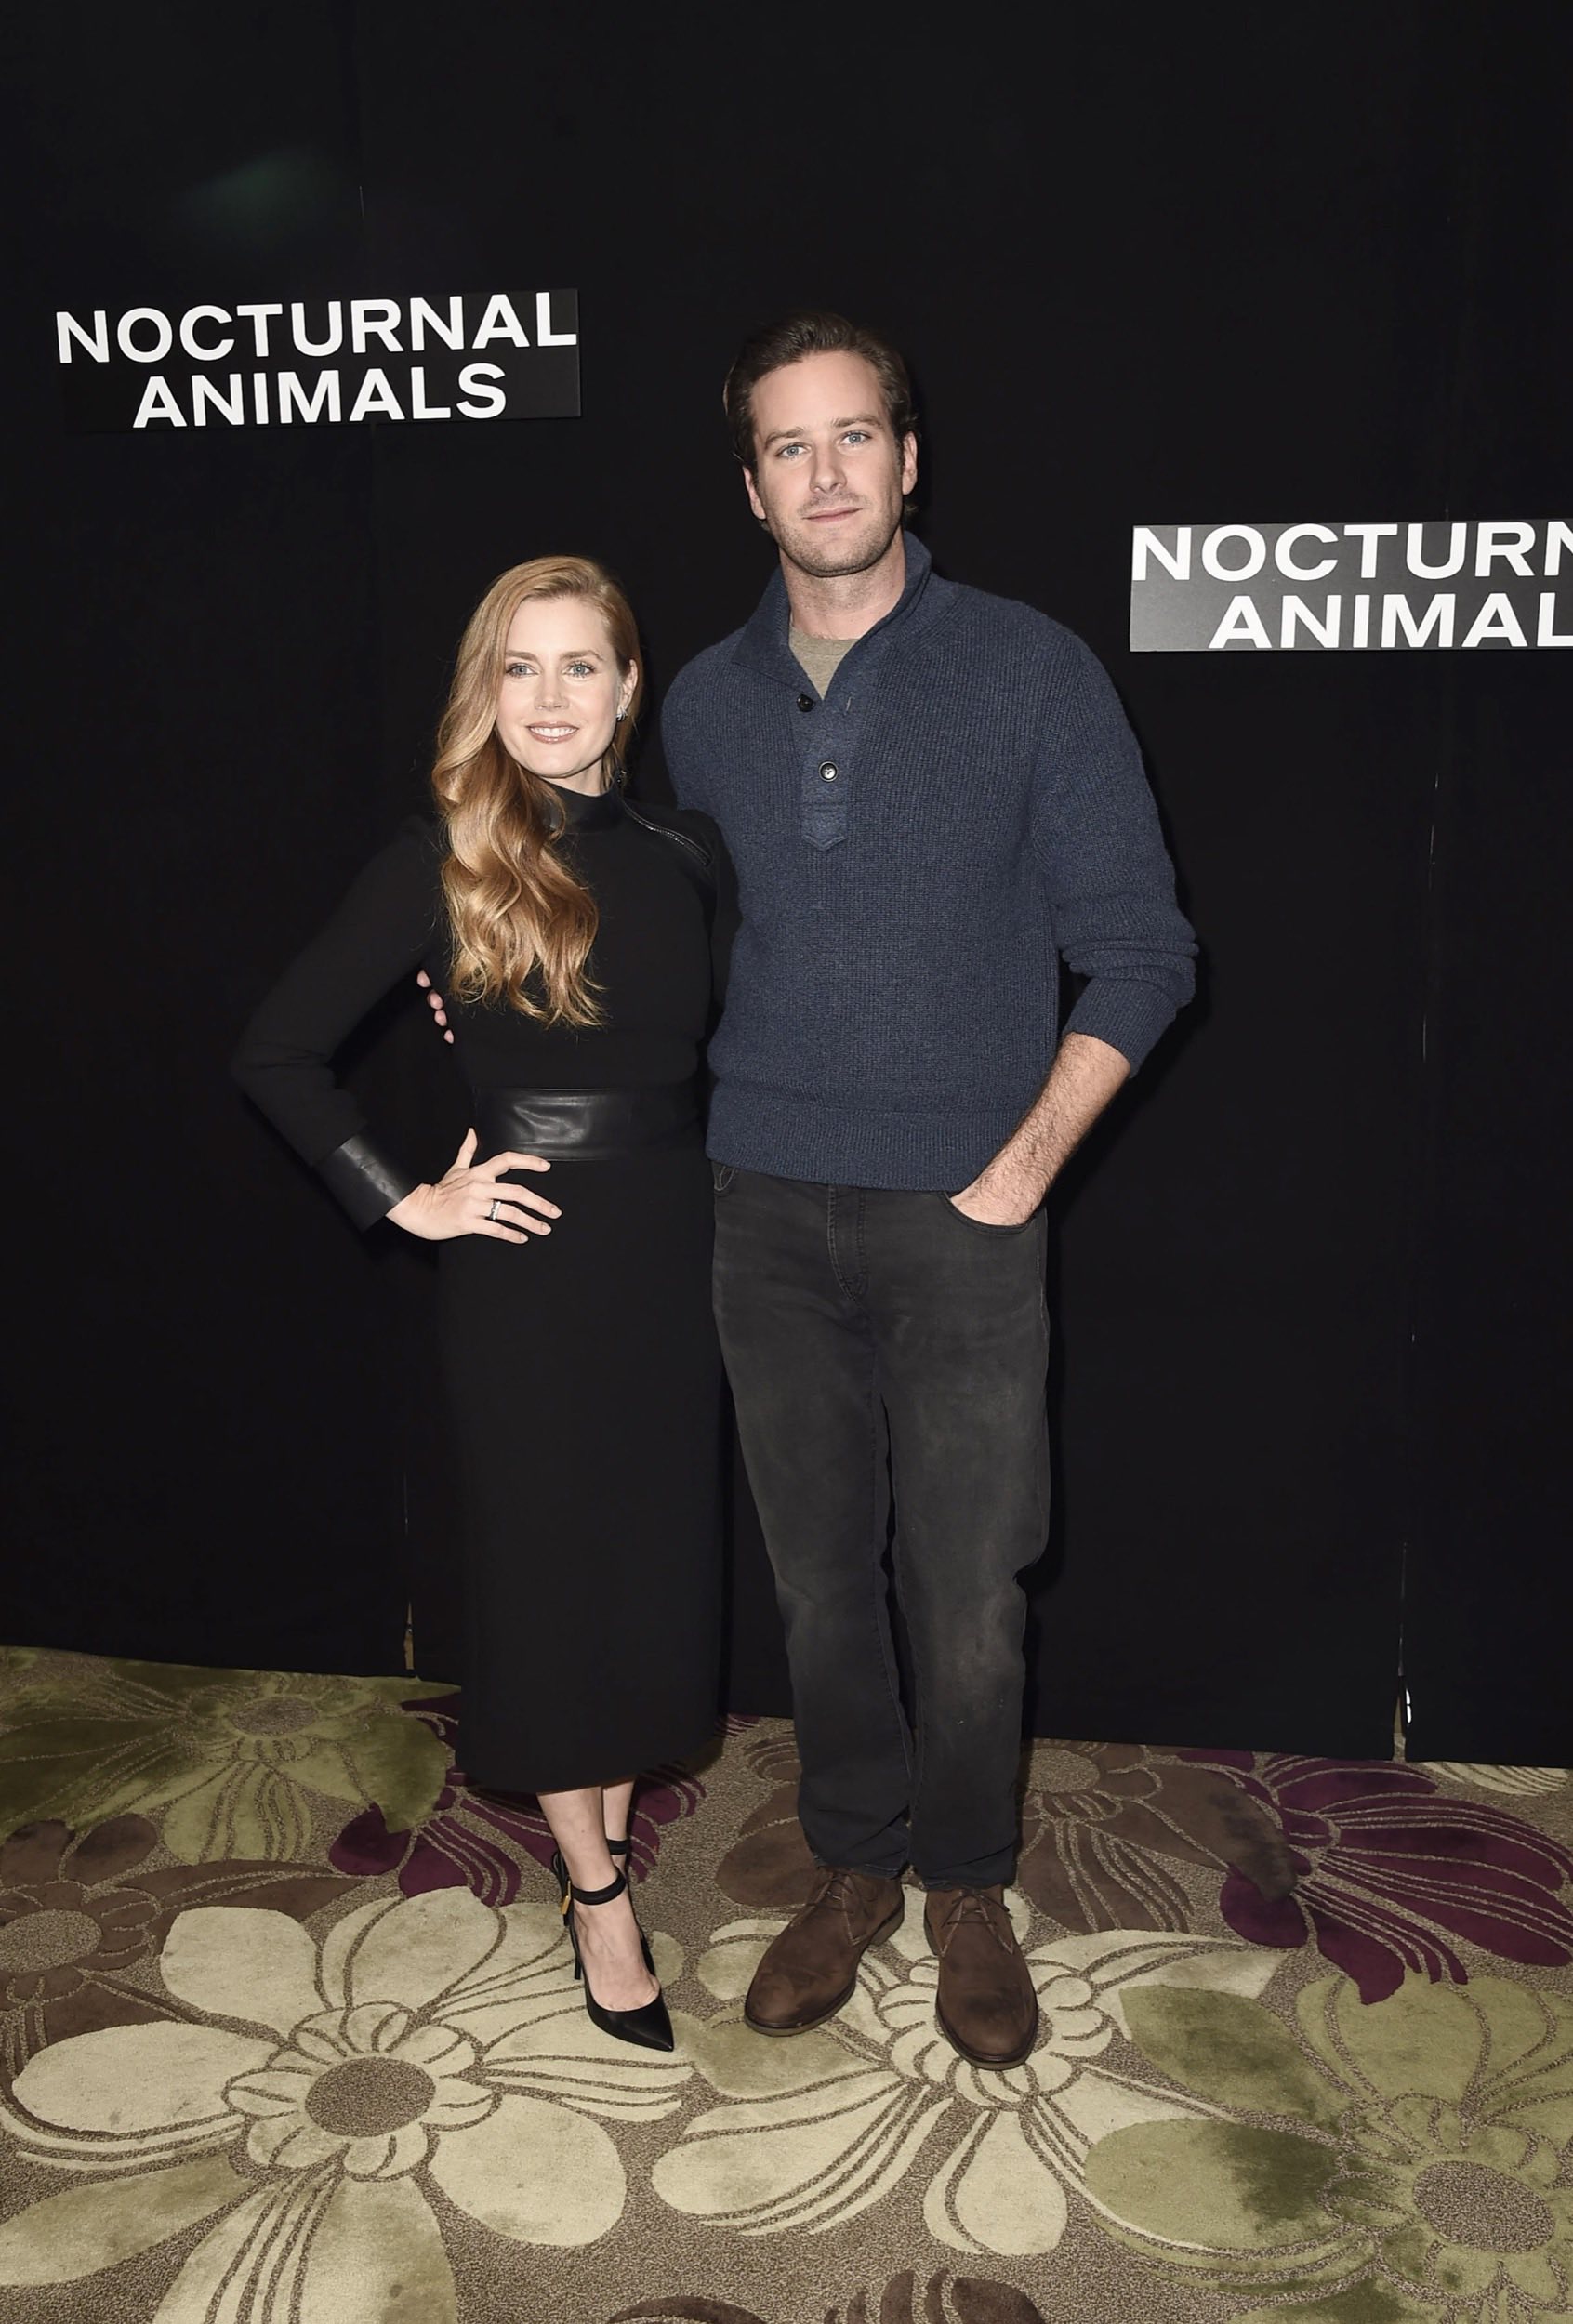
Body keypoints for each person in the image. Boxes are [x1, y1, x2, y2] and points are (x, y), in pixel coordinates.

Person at [659, 312, 1198, 2068]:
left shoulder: (1032, 671)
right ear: (752, 489)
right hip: (759, 1208)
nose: (826, 475)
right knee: (818, 1584)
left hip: (965, 1213)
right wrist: (494, 994)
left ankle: (966, 1883)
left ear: (908, 457)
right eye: (788, 447)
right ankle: (853, 1863)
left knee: (969, 1594)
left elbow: (1142, 954)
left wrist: (1017, 1173)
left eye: (854, 437)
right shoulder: (701, 703)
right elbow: (652, 940)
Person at [233, 555, 732, 2053]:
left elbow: (716, 1043)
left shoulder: (692, 848)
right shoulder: (443, 856)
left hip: (679, 1253)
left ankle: (607, 1837)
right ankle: (599, 1895)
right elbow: (276, 1052)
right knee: (552, 1578)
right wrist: (404, 1197)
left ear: (629, 688)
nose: (551, 698)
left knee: (647, 1574)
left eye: (581, 666)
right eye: (520, 667)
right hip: (529, 1271)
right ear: (485, 690)